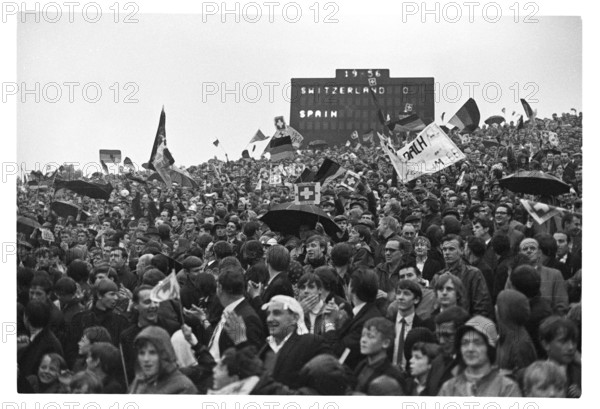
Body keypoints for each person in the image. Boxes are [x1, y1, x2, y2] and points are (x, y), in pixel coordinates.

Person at [438, 316, 521, 397]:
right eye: (465, 343)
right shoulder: (449, 388)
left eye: (477, 343)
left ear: (490, 348)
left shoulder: (507, 388)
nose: (470, 349)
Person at [322, 268, 382, 370]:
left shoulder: (366, 321)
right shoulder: (364, 313)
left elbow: (339, 353)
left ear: (352, 289)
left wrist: (329, 323)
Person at [433, 235, 493, 318]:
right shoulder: (438, 276)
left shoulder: (473, 273)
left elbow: (482, 306)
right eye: (444, 249)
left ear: (461, 250)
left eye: (451, 249)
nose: (447, 253)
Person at [129, 326, 198, 394]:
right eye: (141, 353)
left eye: (152, 353)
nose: (146, 359)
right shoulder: (139, 382)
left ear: (165, 355)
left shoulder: (183, 387)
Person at [354, 317, 406, 394]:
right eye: (363, 335)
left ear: (385, 343)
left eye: (370, 336)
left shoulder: (392, 375)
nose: (363, 340)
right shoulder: (362, 365)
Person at [494, 290, 537, 377]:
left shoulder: (520, 344)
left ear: (505, 312)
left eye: (498, 305)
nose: (495, 307)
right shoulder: (504, 335)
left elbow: (526, 378)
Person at [538, 316, 581, 398]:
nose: (571, 347)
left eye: (574, 341)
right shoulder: (533, 374)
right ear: (546, 344)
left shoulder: (580, 374)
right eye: (563, 341)